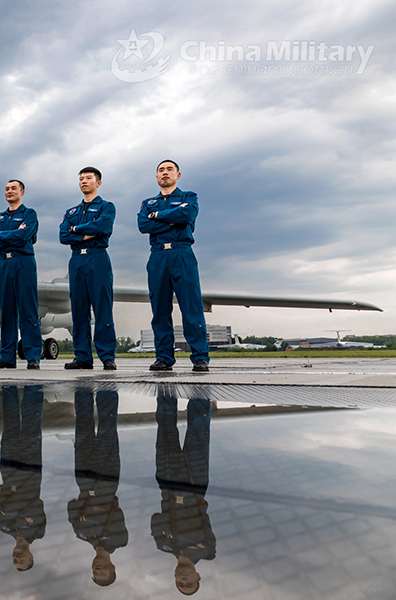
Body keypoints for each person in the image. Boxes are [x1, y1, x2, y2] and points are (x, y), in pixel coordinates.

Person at [137, 160, 210, 372]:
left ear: (178, 175)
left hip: (182, 253)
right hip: (158, 255)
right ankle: (164, 357)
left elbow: (187, 215)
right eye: (161, 170)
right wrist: (171, 220)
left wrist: (158, 216)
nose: (165, 173)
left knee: (191, 306)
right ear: (156, 177)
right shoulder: (148, 202)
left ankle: (199, 357)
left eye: (169, 169)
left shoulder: (189, 197)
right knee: (159, 308)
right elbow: (143, 225)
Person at [151, 384, 214, 595]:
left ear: (175, 576)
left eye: (181, 583)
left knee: (165, 428)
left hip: (167, 483)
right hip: (194, 484)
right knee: (198, 430)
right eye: (190, 583)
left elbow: (155, 519)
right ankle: (200, 389)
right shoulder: (207, 551)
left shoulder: (163, 546)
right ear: (198, 576)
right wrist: (174, 533)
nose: (184, 580)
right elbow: (164, 524)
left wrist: (180, 536)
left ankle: (165, 388)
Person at [67, 385, 128, 586]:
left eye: (95, 573)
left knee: (82, 425)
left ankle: (82, 389)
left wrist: (95, 513)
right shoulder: (120, 540)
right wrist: (91, 511)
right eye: (102, 573)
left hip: (83, 480)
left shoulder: (81, 534)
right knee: (107, 427)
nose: (97, 570)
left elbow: (71, 506)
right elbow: (115, 514)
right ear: (112, 568)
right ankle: (107, 387)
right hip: (106, 480)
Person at [59, 167, 117, 371]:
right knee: (78, 309)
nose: (84, 181)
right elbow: (63, 236)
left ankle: (107, 356)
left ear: (98, 182)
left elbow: (102, 227)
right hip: (76, 261)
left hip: (97, 258)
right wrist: (85, 232)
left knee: (102, 308)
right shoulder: (71, 212)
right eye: (81, 179)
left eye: (88, 178)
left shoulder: (106, 207)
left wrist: (76, 229)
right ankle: (82, 356)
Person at [0, 180, 41, 370]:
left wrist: (2, 235)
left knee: (28, 309)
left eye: (13, 188)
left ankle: (32, 356)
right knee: (7, 311)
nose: (9, 191)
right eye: (7, 189)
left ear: (22, 192)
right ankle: (7, 357)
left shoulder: (29, 214)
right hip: (4, 264)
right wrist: (11, 235)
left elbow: (24, 236)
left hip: (23, 262)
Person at [0, 386, 46, 571]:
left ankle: (8, 387)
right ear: (30, 556)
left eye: (15, 561)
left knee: (10, 424)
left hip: (8, 474)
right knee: (31, 425)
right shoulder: (38, 531)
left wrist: (18, 509)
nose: (18, 558)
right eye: (22, 561)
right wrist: (16, 509)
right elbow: (35, 506)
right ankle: (34, 387)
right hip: (30, 473)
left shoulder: (3, 527)